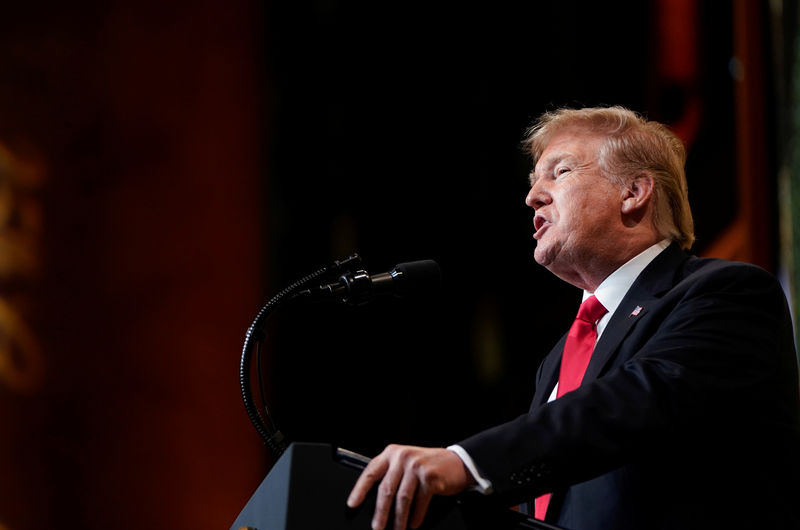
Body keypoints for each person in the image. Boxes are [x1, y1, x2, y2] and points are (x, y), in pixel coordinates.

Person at [346, 106, 800, 530]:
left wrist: (468, 462)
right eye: (532, 180)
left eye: (559, 172)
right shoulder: (560, 357)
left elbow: (636, 399)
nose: (531, 197)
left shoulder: (726, 293)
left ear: (633, 192)